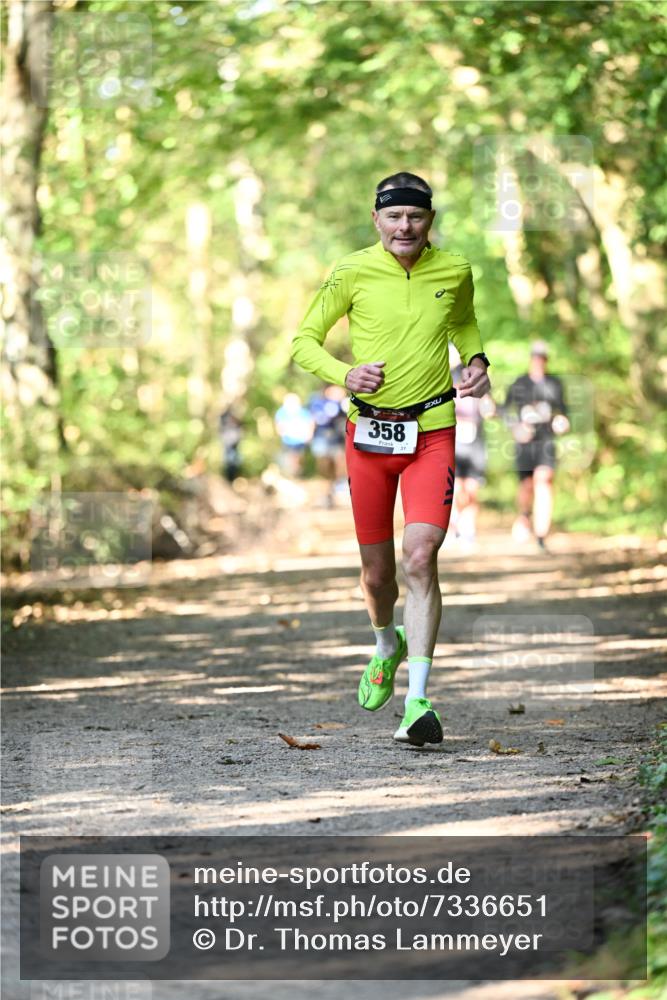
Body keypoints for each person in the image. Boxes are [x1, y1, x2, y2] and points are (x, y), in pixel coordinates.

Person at [292, 172, 490, 746]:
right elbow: (304, 340)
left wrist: (476, 358)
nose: (406, 226)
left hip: (432, 427)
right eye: (394, 216)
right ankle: (386, 642)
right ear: (376, 219)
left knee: (421, 556)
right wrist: (343, 373)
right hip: (369, 438)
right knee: (378, 575)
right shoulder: (351, 271)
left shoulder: (454, 269)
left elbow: (463, 319)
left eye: (417, 216)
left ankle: (418, 702)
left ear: (431, 220)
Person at [504, 341, 569, 552]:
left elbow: (563, 412)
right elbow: (505, 410)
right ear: (531, 359)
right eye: (536, 358)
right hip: (524, 443)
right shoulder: (520, 383)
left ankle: (541, 534)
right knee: (527, 485)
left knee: (545, 481)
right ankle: (524, 515)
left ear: (546, 360)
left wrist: (562, 422)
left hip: (546, 441)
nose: (539, 362)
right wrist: (516, 428)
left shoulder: (555, 384)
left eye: (543, 358)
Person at [449, 345, 494, 548]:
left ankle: (469, 530)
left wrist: (487, 404)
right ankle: (454, 526)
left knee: (472, 489)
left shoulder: (479, 377)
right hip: (456, 441)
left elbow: (489, 408)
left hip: (476, 441)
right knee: (457, 489)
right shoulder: (446, 377)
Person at [308, 385, 348, 506]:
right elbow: (314, 420)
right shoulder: (318, 403)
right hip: (322, 438)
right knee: (324, 467)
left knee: (340, 464)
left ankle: (338, 490)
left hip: (337, 439)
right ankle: (326, 493)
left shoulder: (344, 404)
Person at [274, 392, 314, 478]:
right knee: (290, 457)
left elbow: (310, 423)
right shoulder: (282, 412)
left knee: (298, 457)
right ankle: (292, 474)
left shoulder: (303, 412)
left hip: (300, 440)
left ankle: (297, 473)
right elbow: (279, 425)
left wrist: (309, 435)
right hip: (288, 440)